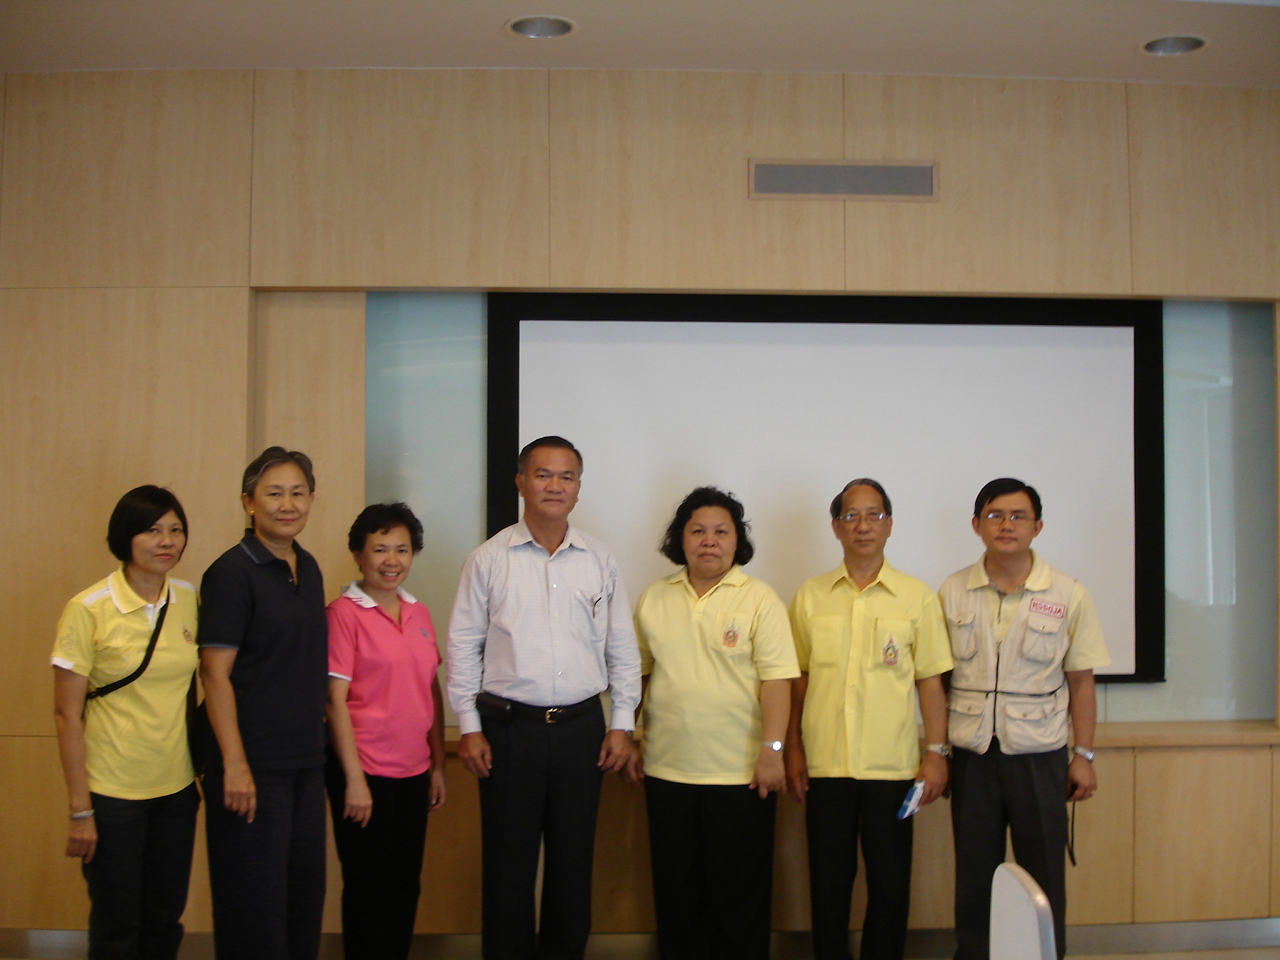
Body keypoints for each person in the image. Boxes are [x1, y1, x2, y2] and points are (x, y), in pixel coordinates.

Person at [447, 435, 642, 960]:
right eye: (543, 474)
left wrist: (621, 722)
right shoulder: (488, 560)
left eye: (566, 476)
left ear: (578, 487)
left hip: (582, 731)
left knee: (573, 865)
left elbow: (621, 647)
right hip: (509, 731)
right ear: (520, 482)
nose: (555, 486)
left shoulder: (600, 560)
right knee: (507, 868)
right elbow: (463, 646)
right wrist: (468, 726)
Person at [941, 478, 1109, 960]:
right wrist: (939, 750)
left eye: (1018, 516)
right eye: (995, 515)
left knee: (1044, 873)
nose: (1006, 525)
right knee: (974, 873)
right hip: (972, 754)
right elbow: (938, 679)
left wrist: (1083, 755)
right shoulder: (953, 590)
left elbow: (1081, 682)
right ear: (977, 525)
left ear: (1038, 526)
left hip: (1040, 754)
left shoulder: (1068, 592)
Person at [786, 479, 953, 960]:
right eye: (851, 515)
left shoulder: (916, 597)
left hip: (893, 769)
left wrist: (936, 753)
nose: (863, 525)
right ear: (836, 527)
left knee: (889, 889)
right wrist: (792, 748)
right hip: (826, 767)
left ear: (890, 525)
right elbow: (796, 681)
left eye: (874, 515)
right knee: (828, 887)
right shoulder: (810, 596)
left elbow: (930, 683)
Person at [629, 486, 797, 960]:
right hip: (667, 771)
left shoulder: (760, 599)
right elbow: (639, 675)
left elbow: (777, 681)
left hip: (740, 774)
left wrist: (773, 751)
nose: (709, 541)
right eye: (697, 531)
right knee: (677, 893)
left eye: (721, 532)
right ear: (679, 539)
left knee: (738, 896)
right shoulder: (654, 598)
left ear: (736, 540)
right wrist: (633, 736)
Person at [52, 485, 201, 960]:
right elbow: (66, 714)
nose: (167, 541)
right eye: (152, 530)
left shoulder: (188, 598)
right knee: (117, 924)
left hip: (176, 790)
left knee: (164, 919)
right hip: (112, 793)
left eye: (175, 530)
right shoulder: (88, 608)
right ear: (125, 537)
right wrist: (81, 810)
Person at [197, 447, 329, 960]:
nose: (287, 505)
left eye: (298, 493)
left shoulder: (308, 567)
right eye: (274, 493)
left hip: (305, 764)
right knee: (252, 909)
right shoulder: (230, 573)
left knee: (302, 903)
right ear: (248, 502)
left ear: (312, 499)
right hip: (251, 768)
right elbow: (214, 674)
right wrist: (233, 763)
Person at [325, 502, 446, 960]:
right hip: (364, 773)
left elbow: (429, 689)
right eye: (379, 549)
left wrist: (437, 764)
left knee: (404, 883)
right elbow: (334, 700)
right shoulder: (342, 614)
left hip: (413, 772)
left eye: (402, 549)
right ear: (359, 555)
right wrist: (354, 781)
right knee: (368, 887)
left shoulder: (419, 612)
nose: (391, 560)